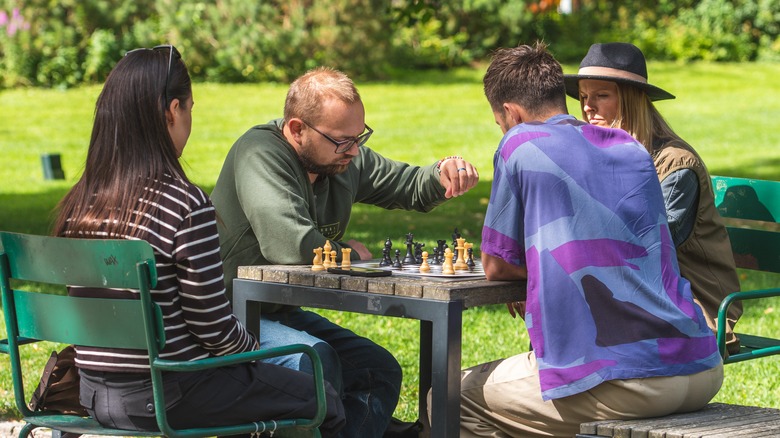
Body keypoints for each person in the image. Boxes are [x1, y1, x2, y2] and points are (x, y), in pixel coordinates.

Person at [52, 45, 345, 436]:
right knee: (321, 398)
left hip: (94, 392)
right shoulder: (183, 203)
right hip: (175, 391)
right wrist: (259, 352)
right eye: (190, 107)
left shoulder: (81, 203)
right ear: (173, 110)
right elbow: (215, 330)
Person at [456, 42, 724, 437]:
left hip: (627, 379)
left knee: (447, 394)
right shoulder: (631, 149)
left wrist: (537, 270)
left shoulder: (519, 142)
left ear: (510, 114)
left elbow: (497, 264)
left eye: (500, 123)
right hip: (701, 364)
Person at [210, 66, 479, 437]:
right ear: (296, 129)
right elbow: (289, 243)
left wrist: (441, 174)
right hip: (228, 316)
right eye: (342, 140)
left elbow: (405, 183)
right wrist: (347, 254)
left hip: (277, 308)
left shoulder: (342, 158)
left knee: (378, 369)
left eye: (359, 137)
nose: (353, 150)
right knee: (316, 359)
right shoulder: (259, 152)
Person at [563, 42, 742, 354]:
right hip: (636, 293)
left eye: (601, 95)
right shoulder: (598, 159)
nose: (587, 107)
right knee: (560, 319)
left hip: (692, 303)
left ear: (631, 100)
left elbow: (651, 248)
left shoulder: (675, 164)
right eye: (583, 97)